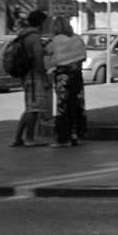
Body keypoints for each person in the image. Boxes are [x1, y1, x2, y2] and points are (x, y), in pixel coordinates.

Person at [10, 9, 52, 148]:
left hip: (26, 76)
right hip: (34, 77)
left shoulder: (23, 34)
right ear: (41, 22)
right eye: (45, 21)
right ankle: (29, 138)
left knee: (29, 108)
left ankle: (18, 138)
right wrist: (44, 78)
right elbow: (38, 59)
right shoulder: (34, 37)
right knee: (33, 109)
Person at [46, 17, 88, 147]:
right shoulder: (77, 39)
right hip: (77, 76)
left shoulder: (54, 41)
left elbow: (47, 54)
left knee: (63, 106)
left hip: (62, 77)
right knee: (77, 105)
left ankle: (63, 138)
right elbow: (83, 57)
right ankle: (76, 135)